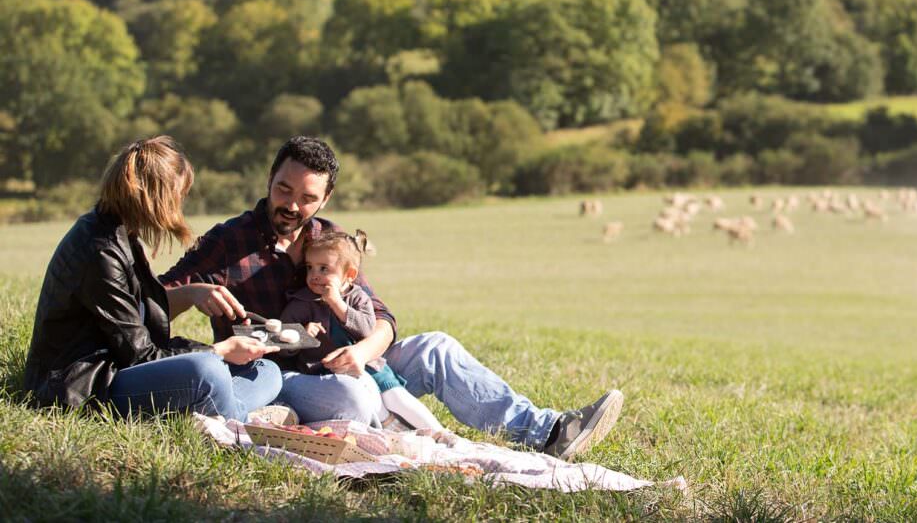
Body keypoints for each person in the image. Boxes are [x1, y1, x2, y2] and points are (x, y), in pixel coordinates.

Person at [161, 136, 623, 460]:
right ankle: (305, 420)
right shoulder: (228, 240)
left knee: (435, 347)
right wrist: (197, 292)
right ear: (269, 178)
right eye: (284, 189)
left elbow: (381, 318)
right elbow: (155, 301)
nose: (293, 205)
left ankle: (550, 433)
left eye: (307, 197)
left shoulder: (331, 239)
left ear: (325, 198)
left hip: (350, 363)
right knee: (355, 395)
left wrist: (362, 350)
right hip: (277, 375)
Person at [23, 136, 283, 423]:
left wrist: (191, 296)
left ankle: (219, 411)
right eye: (179, 194)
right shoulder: (99, 250)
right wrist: (218, 350)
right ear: (158, 195)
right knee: (207, 371)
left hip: (119, 368)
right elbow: (140, 355)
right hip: (88, 386)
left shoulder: (121, 234)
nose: (180, 204)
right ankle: (235, 425)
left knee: (266, 371)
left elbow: (139, 332)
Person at [280, 228, 444, 432]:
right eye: (310, 268)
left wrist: (337, 303)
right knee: (370, 399)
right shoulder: (302, 303)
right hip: (328, 375)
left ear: (349, 275)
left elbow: (367, 330)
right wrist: (302, 334)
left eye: (324, 269)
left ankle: (440, 433)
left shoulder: (358, 297)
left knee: (396, 397)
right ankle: (393, 431)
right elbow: (282, 343)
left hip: (369, 364)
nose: (314, 275)